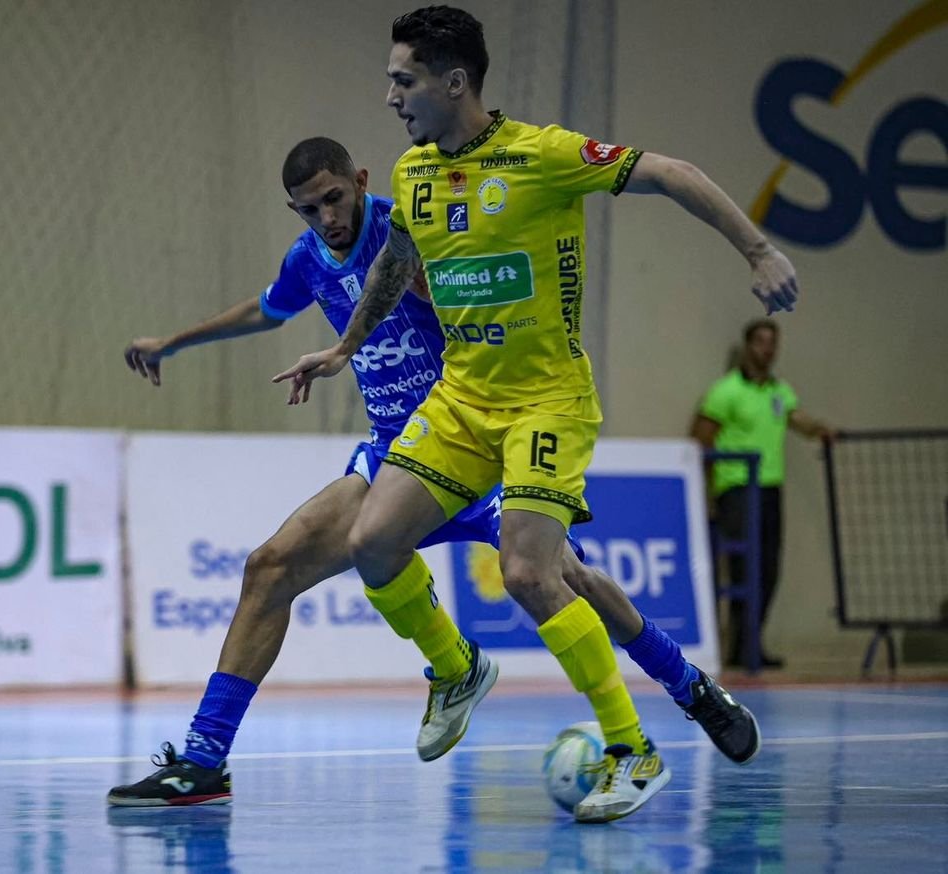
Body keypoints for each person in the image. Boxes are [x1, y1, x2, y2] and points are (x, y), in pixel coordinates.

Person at [109, 137, 759, 810]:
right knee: (270, 567)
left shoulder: (411, 229)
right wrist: (174, 343)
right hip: (399, 454)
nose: (328, 217)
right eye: (309, 209)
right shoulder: (309, 260)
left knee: (567, 581)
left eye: (335, 198)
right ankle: (208, 758)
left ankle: (690, 689)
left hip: (476, 442)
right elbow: (265, 309)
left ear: (360, 181)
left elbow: (472, 302)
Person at [274, 6, 794, 823]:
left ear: (455, 83)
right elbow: (397, 263)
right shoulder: (411, 174)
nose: (389, 97)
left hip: (546, 399)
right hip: (462, 401)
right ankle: (456, 668)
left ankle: (636, 745)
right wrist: (344, 348)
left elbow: (672, 171)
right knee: (371, 543)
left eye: (402, 80)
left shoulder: (544, 155)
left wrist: (758, 250)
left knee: (532, 572)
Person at [692, 318, 834, 670]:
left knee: (769, 568)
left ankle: (750, 643)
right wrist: (707, 492)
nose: (767, 349)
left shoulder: (778, 391)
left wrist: (822, 431)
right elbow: (701, 437)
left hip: (771, 488)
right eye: (761, 342)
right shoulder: (725, 391)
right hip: (738, 488)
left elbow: (796, 418)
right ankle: (737, 646)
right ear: (747, 346)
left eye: (773, 343)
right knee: (742, 568)